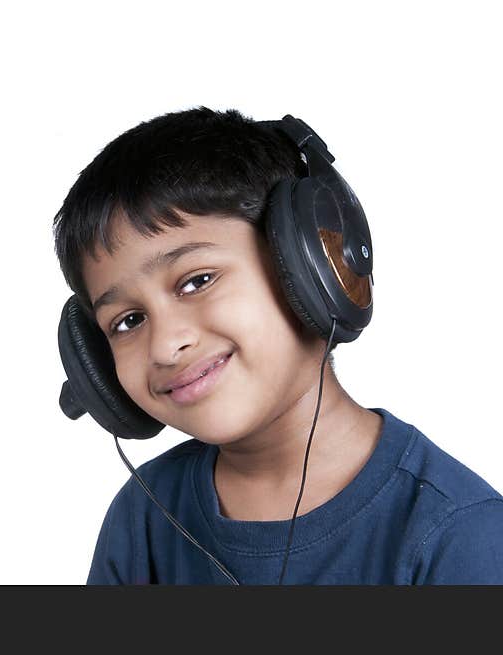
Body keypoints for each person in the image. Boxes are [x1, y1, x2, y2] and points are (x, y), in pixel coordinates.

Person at [52, 107, 503, 584]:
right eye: (129, 321)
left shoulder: (460, 536)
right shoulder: (145, 517)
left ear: (315, 267)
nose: (165, 345)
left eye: (197, 281)